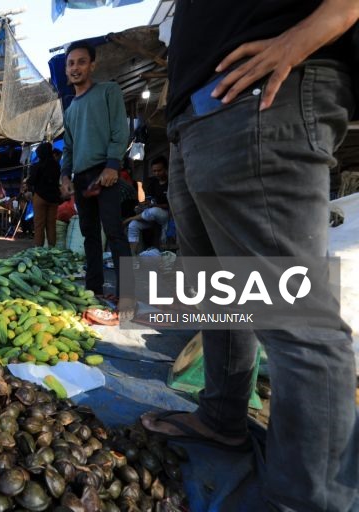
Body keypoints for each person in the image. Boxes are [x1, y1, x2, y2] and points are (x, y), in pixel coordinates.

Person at [140, 2, 359, 511]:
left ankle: (310, 500)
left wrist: (307, 34)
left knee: (295, 320)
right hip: (200, 118)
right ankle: (220, 419)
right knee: (218, 294)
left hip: (262, 101)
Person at [59, 40, 132, 309]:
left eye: (81, 62)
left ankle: (127, 296)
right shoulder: (69, 110)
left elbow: (118, 130)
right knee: (90, 234)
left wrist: (113, 165)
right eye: (70, 63)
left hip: (106, 171)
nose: (75, 67)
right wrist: (65, 177)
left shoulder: (108, 91)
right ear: (66, 70)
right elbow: (68, 147)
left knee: (114, 232)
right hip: (81, 177)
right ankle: (94, 289)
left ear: (92, 65)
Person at [124, 155, 169, 253]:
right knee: (133, 225)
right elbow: (150, 199)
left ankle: (130, 218)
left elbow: (172, 205)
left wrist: (155, 206)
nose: (156, 173)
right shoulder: (153, 183)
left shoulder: (171, 182)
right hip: (151, 216)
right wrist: (145, 204)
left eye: (159, 170)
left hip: (167, 215)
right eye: (154, 171)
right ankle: (132, 255)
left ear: (166, 169)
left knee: (154, 211)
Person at [26, 142, 62, 247]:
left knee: (39, 225)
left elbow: (31, 181)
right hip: (54, 199)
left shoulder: (37, 166)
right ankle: (51, 249)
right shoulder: (56, 165)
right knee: (51, 225)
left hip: (40, 197)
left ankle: (39, 250)